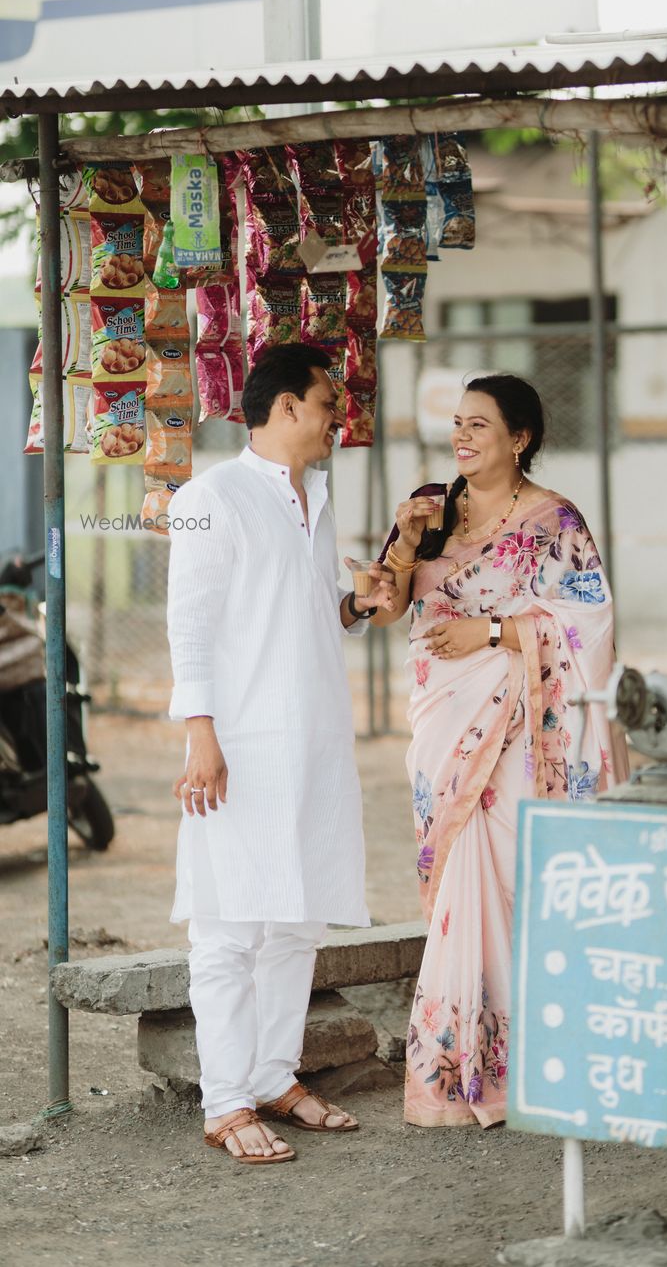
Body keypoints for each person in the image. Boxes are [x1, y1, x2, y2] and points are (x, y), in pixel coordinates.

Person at [373, 373, 629, 1127]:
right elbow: (387, 608)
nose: (463, 436)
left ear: (519, 439)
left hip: (524, 729)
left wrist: (490, 633)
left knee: (521, 877)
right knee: (460, 882)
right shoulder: (429, 507)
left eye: (480, 425)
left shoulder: (554, 522)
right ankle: (465, 1068)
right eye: (458, 423)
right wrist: (398, 551)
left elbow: (590, 626)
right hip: (444, 729)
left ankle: (542, 1060)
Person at [166, 344, 396, 1166]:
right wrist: (200, 732)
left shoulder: (315, 500)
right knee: (227, 926)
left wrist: (354, 604)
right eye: (328, 404)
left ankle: (272, 1074)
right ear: (288, 407)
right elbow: (189, 623)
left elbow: (299, 614)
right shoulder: (208, 495)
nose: (337, 418)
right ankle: (225, 1101)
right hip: (238, 741)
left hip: (314, 737)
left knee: (295, 921)